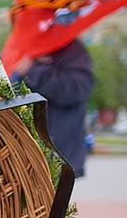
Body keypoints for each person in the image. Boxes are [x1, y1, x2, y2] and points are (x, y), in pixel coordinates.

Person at [11, 39, 94, 178]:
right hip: (25, 153)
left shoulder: (72, 50)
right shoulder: (21, 48)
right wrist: (19, 73)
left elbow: (77, 89)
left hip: (59, 153)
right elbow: (10, 95)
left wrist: (33, 70)